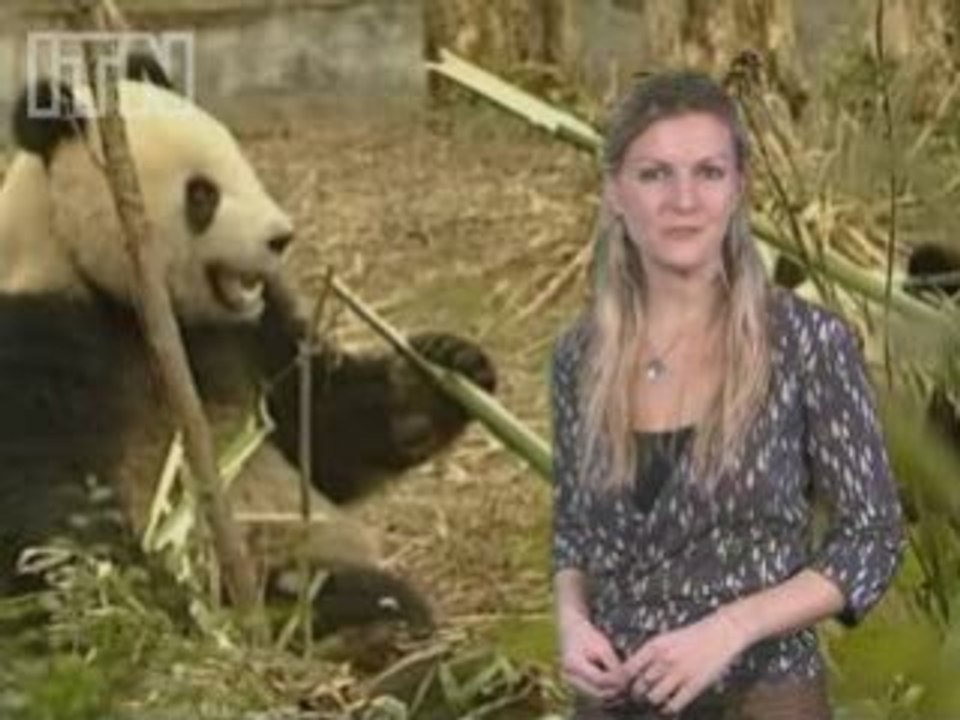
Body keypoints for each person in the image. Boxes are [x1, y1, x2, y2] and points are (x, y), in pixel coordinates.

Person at [549, 70, 904, 719]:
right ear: (614, 195)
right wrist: (572, 624)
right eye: (654, 174)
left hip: (762, 699)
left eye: (708, 173)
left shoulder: (807, 344)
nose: (683, 199)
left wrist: (731, 628)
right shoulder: (579, 358)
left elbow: (872, 537)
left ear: (739, 189)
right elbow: (574, 533)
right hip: (612, 704)